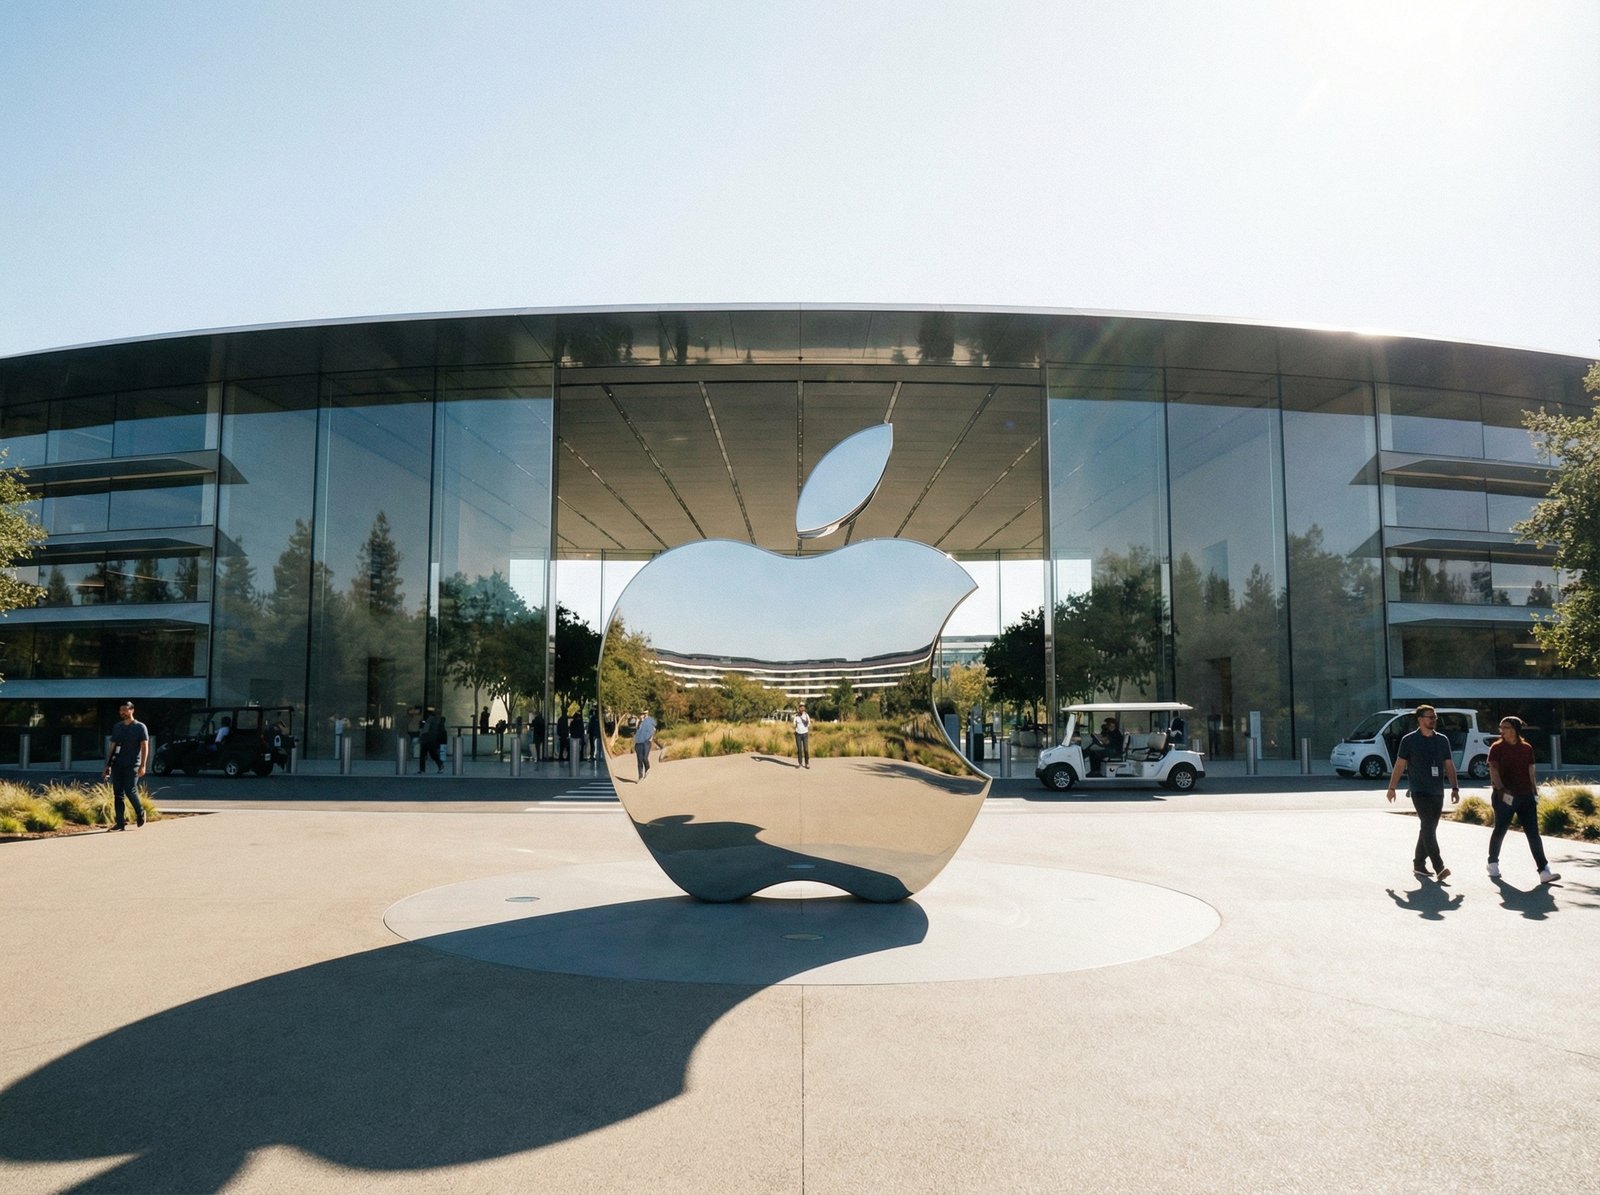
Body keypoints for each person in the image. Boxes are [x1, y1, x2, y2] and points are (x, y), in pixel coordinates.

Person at [1385, 703, 1460, 879]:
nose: (1433, 720)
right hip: (1419, 791)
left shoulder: (1442, 740)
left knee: (1428, 828)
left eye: (1435, 717)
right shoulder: (1409, 740)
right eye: (1430, 717)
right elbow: (1400, 765)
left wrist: (1455, 787)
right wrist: (1392, 788)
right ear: (1420, 720)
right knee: (1428, 826)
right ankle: (1439, 866)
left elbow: (1449, 765)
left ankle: (1419, 864)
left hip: (1437, 791)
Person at [1487, 715, 1560, 884]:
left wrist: (1534, 792)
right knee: (1500, 829)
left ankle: (1543, 870)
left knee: (1533, 833)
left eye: (1506, 727)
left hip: (1525, 795)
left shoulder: (1526, 748)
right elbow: (1493, 769)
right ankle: (1492, 862)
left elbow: (1530, 770)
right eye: (1502, 727)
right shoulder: (1497, 748)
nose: (1502, 730)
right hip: (1505, 795)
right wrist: (1501, 791)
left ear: (1515, 730)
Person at [101, 700, 149, 831]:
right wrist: (108, 765)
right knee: (118, 793)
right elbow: (113, 746)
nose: (122, 713)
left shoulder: (140, 727)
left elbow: (145, 746)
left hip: (133, 764)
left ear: (132, 710)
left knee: (130, 790)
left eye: (125, 710)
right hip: (117, 764)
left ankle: (140, 812)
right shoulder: (118, 727)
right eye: (121, 710)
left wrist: (143, 765)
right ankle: (120, 823)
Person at [418, 706, 445, 774]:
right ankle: (440, 765)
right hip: (431, 740)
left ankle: (422, 770)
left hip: (427, 740)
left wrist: (421, 737)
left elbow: (425, 731)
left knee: (424, 755)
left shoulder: (429, 720)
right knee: (432, 754)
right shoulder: (435, 720)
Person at [634, 708, 657, 780]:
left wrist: (650, 739)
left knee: (645, 758)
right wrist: (640, 722)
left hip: (646, 742)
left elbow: (653, 730)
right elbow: (637, 730)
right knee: (639, 760)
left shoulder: (650, 720)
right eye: (642, 713)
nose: (644, 715)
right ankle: (640, 776)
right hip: (638, 743)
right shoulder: (639, 721)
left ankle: (647, 769)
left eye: (645, 713)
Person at [793, 703, 811, 768]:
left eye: (803, 707)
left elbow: (809, 723)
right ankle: (800, 763)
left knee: (806, 749)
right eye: (800, 707)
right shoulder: (796, 716)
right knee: (799, 749)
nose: (802, 708)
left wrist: (806, 726)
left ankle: (807, 763)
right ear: (799, 708)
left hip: (805, 734)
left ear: (804, 708)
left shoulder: (806, 715)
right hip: (798, 734)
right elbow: (794, 724)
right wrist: (795, 729)